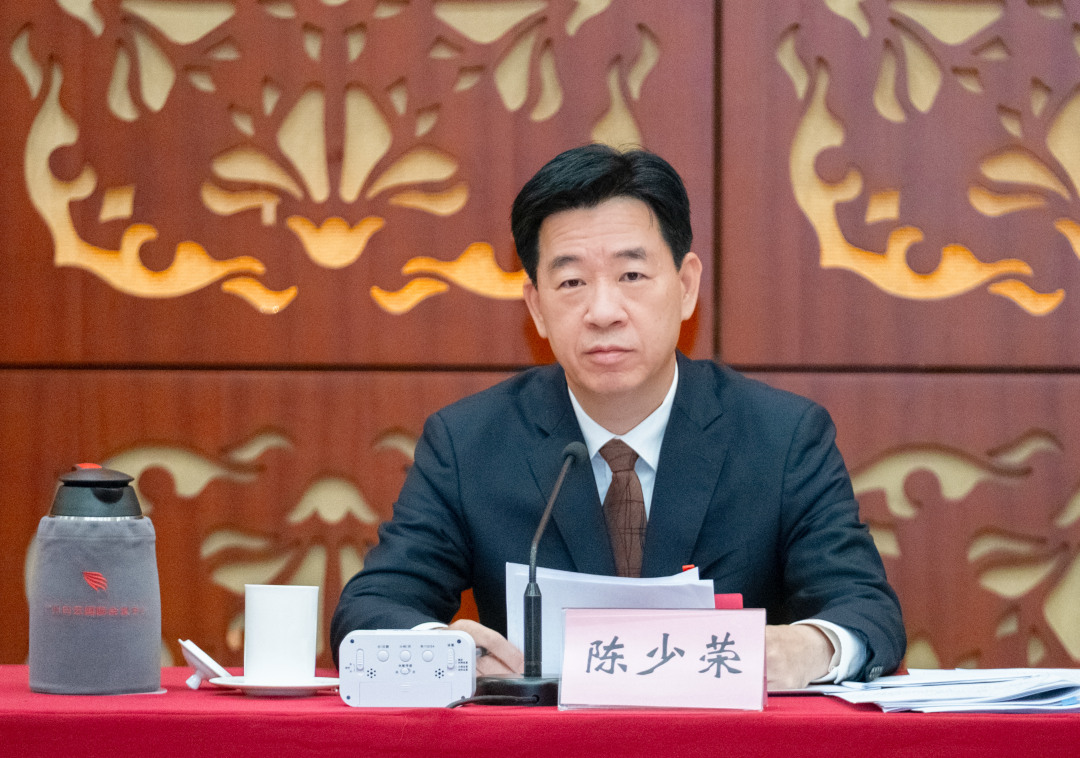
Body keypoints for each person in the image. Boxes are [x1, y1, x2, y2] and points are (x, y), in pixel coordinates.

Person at [331, 145, 905, 688]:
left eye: (632, 275)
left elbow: (867, 610)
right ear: (536, 307)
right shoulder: (469, 443)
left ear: (686, 287)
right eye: (572, 282)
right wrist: (447, 652)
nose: (603, 311)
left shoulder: (781, 438)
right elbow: (372, 608)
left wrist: (811, 648)